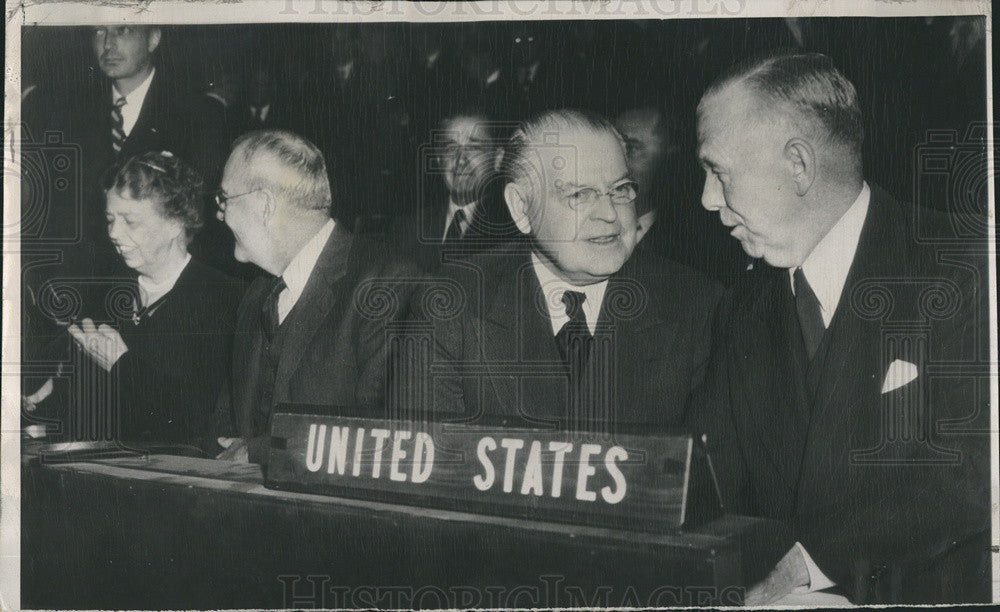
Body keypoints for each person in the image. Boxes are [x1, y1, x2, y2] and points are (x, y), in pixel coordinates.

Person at [687, 51, 990, 604]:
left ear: (798, 165)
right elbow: (710, 484)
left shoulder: (969, 270)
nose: (708, 199)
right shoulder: (739, 312)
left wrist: (804, 567)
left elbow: (967, 477)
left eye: (718, 172)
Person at [398, 109, 721, 433]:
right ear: (521, 207)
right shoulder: (450, 306)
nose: (610, 214)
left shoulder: (698, 307)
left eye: (621, 189)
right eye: (580, 194)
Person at [211, 129, 420, 465]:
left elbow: (381, 433)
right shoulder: (256, 294)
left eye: (225, 199)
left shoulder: (384, 283)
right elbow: (229, 420)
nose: (220, 215)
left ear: (264, 204)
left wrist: (258, 451)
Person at [64, 151, 244, 449]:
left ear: (175, 224)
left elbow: (199, 418)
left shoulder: (225, 299)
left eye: (130, 222)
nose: (113, 233)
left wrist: (122, 364)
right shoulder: (104, 295)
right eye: (110, 220)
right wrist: (49, 393)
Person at [388, 104, 516, 271]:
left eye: (474, 148)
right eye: (451, 149)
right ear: (440, 160)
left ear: (497, 160)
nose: (461, 160)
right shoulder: (407, 230)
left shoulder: (511, 235)